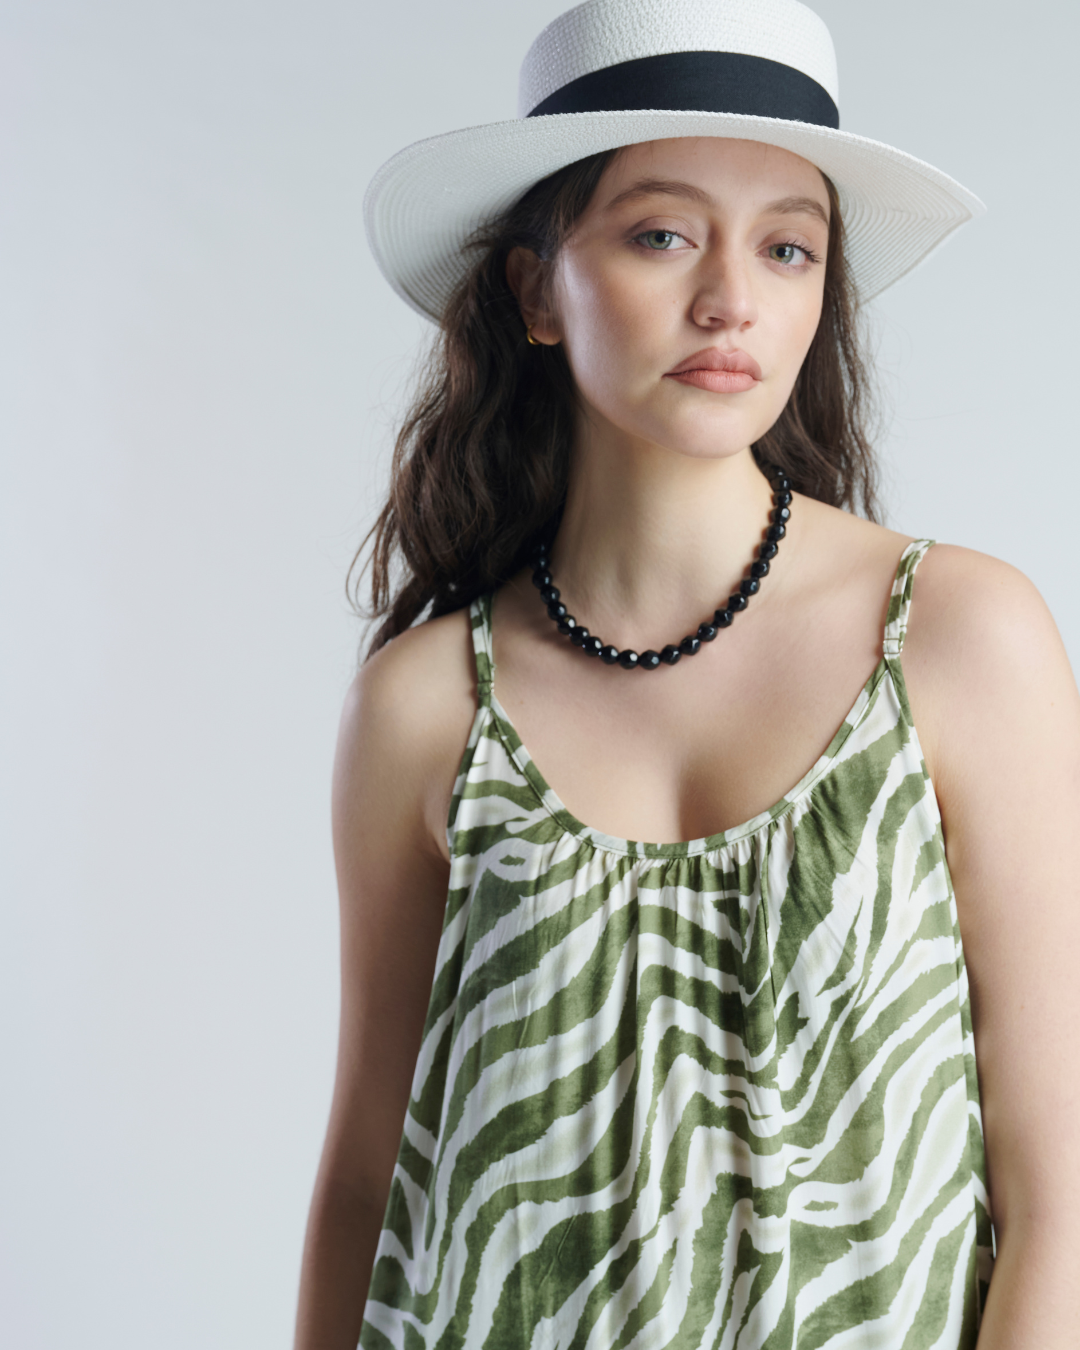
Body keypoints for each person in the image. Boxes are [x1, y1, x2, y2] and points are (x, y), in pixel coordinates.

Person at [294, 1, 1080, 1346]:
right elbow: (371, 1174)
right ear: (536, 291)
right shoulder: (427, 707)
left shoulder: (955, 636)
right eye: (662, 234)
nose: (731, 299)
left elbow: (1057, 1187)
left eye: (787, 246)